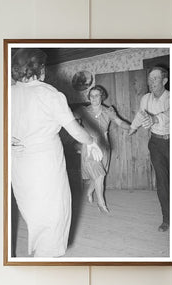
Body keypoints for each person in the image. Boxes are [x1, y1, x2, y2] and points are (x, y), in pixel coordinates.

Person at [11, 48, 102, 257]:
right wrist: (92, 142)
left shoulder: (9, 92)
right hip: (45, 162)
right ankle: (46, 256)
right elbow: (76, 131)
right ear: (39, 68)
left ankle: (37, 251)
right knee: (54, 209)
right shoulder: (49, 93)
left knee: (32, 208)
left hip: (19, 162)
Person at [75, 85, 130, 213]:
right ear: (89, 97)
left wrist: (131, 127)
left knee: (101, 174)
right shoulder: (83, 111)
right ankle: (101, 203)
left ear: (102, 97)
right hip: (89, 146)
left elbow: (120, 122)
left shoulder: (108, 111)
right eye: (91, 96)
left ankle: (89, 192)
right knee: (99, 174)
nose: (94, 98)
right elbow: (70, 120)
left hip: (104, 146)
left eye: (97, 95)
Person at [129, 66, 170, 232]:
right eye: (149, 79)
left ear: (164, 81)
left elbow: (171, 113)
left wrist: (155, 118)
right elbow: (141, 114)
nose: (151, 82)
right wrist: (132, 128)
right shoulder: (145, 98)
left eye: (155, 78)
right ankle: (167, 219)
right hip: (156, 143)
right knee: (162, 182)